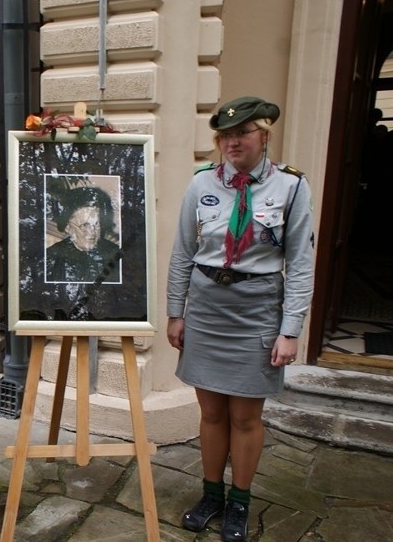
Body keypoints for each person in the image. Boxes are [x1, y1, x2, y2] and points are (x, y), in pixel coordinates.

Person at [166, 96, 314, 541]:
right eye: (225, 134)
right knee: (211, 413)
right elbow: (182, 256)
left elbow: (301, 264)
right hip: (208, 308)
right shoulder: (201, 184)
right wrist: (177, 313)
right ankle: (212, 495)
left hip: (257, 309)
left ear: (264, 136)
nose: (233, 142)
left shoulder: (290, 187)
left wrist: (290, 331)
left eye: (243, 133)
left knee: (246, 417)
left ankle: (240, 502)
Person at [45, 185, 121, 283]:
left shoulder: (114, 252)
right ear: (68, 227)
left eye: (96, 224)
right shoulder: (52, 256)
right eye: (84, 225)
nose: (92, 231)